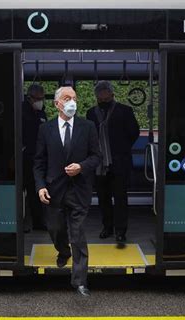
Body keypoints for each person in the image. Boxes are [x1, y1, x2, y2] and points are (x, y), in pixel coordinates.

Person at [34, 86, 100, 297]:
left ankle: (80, 281)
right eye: (67, 98)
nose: (72, 101)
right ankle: (63, 251)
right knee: (55, 228)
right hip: (54, 190)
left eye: (74, 98)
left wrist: (81, 166)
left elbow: (96, 156)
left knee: (78, 234)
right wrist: (40, 185)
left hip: (79, 190)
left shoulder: (88, 126)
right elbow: (38, 161)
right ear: (57, 104)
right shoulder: (46, 129)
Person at [86, 81, 140, 244]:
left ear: (111, 94)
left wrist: (121, 149)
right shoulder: (91, 113)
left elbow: (134, 132)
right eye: (99, 92)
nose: (102, 94)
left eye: (105, 91)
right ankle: (107, 227)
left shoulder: (125, 111)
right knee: (103, 198)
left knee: (120, 198)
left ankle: (121, 231)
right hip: (99, 164)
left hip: (119, 162)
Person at [22, 83, 48, 232]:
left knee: (36, 190)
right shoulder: (21, 111)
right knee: (23, 192)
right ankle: (23, 223)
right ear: (30, 98)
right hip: (24, 157)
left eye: (42, 98)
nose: (40, 101)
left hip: (38, 157)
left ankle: (38, 222)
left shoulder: (41, 113)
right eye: (38, 99)